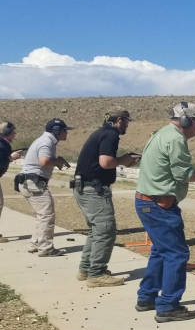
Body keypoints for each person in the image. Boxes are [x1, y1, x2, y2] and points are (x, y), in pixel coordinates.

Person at [134, 102, 195, 323]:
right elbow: (183, 175)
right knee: (176, 254)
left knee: (161, 251)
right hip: (160, 205)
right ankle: (167, 306)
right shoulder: (175, 139)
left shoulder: (162, 134)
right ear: (186, 121)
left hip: (149, 202)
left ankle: (147, 297)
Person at [73, 109, 141, 287]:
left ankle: (86, 269)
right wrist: (124, 160)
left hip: (85, 187)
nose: (127, 125)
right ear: (119, 120)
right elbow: (106, 162)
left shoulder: (101, 132)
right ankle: (97, 274)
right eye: (126, 121)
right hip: (93, 189)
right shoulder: (111, 134)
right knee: (105, 230)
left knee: (96, 231)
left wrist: (122, 160)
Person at [17, 118, 72, 256]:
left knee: (42, 215)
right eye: (65, 130)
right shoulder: (47, 142)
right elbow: (44, 161)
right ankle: (46, 248)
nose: (66, 133)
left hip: (29, 182)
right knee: (47, 215)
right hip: (34, 182)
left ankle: (35, 243)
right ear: (57, 131)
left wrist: (56, 161)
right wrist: (57, 161)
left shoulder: (44, 141)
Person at [0, 122, 24, 243]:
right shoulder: (1, 144)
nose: (15, 134)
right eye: (13, 132)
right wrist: (11, 158)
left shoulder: (3, 144)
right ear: (7, 133)